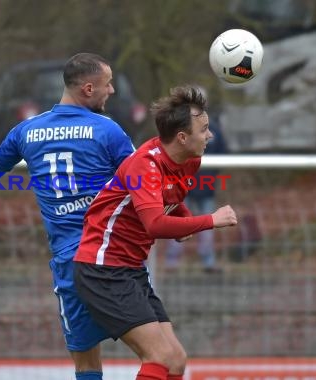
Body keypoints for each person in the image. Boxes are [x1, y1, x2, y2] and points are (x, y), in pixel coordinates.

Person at [0, 53, 135, 380]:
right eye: (108, 85)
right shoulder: (107, 130)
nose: (113, 92)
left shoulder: (26, 131)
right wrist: (175, 212)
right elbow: (142, 182)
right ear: (89, 89)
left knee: (86, 363)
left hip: (69, 262)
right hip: (110, 255)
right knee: (161, 351)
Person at [73, 85, 238, 380]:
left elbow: (169, 196)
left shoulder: (189, 160)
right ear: (182, 137)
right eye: (204, 129)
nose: (210, 135)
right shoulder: (143, 165)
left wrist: (184, 215)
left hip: (129, 269)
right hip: (103, 269)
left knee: (175, 360)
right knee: (159, 356)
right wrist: (209, 220)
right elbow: (154, 224)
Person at [164, 116, 228, 273]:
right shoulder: (187, 126)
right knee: (181, 222)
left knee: (200, 223)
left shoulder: (210, 129)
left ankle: (200, 261)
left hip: (199, 184)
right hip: (188, 185)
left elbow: (224, 154)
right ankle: (177, 261)